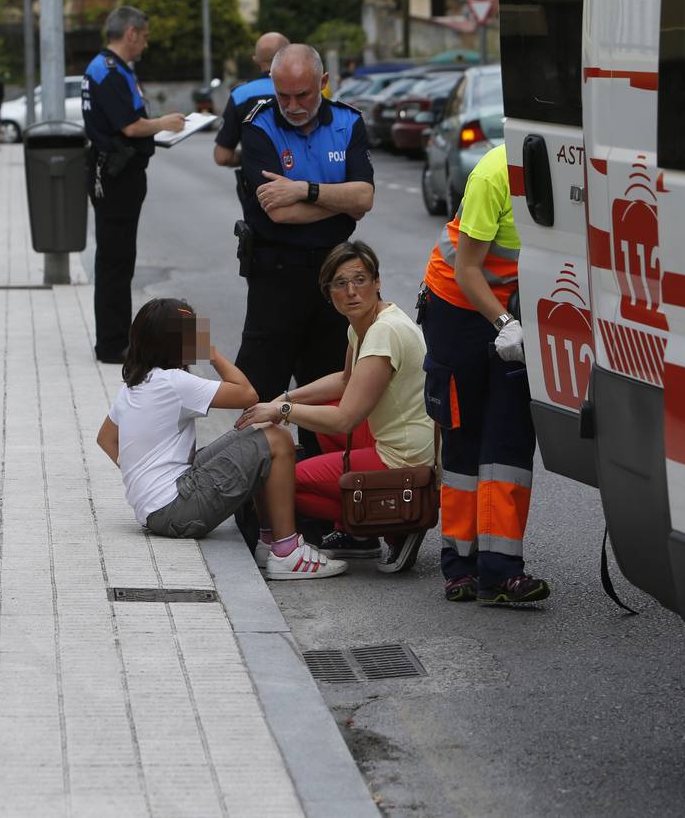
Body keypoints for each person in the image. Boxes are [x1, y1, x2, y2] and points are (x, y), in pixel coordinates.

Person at [96, 299, 346, 580]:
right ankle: (288, 552)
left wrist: (141, 475)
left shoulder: (136, 383)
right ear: (173, 342)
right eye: (192, 334)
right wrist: (211, 352)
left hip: (155, 509)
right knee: (278, 439)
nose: (197, 340)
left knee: (261, 431)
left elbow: (105, 439)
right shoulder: (175, 382)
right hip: (175, 509)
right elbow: (248, 393)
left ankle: (269, 542)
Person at [236, 241, 434, 572]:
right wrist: (285, 398)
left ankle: (395, 524)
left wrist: (281, 412)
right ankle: (357, 535)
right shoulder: (367, 322)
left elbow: (345, 419)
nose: (352, 291)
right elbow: (344, 383)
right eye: (340, 283)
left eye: (360, 279)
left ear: (377, 282)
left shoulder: (384, 332)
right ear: (328, 292)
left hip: (405, 459)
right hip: (404, 439)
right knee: (325, 403)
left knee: (278, 479)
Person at [420, 143, 550, 605]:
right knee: (465, 433)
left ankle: (501, 570)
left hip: (511, 310)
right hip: (456, 308)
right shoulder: (494, 175)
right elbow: (468, 268)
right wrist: (504, 324)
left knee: (510, 440)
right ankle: (460, 565)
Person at [236, 43, 375, 447]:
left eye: (304, 94)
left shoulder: (348, 122)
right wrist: (339, 203)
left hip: (334, 274)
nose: (293, 105)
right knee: (260, 391)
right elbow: (278, 213)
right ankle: (256, 505)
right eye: (284, 95)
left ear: (324, 83)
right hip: (276, 276)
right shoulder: (259, 125)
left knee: (330, 389)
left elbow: (364, 198)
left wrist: (303, 189)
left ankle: (319, 494)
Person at [82, 6, 186, 364]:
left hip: (121, 174)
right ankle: (111, 344)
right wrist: (164, 123)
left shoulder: (115, 68)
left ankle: (116, 336)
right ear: (130, 33)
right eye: (144, 35)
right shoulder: (107, 71)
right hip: (114, 176)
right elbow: (129, 125)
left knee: (120, 258)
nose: (145, 42)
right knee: (114, 260)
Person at [212, 32, 289, 167]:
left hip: (260, 186)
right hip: (304, 185)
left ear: (255, 60)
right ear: (290, 56)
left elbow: (222, 157)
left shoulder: (241, 95)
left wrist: (251, 156)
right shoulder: (306, 90)